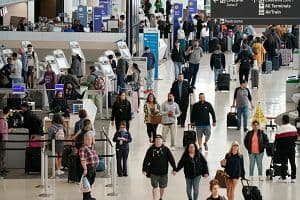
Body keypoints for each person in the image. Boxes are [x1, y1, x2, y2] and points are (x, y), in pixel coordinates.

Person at [142, 135, 176, 200]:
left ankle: (161, 197)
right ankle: (154, 199)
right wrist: (144, 169)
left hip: (163, 172)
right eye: (156, 140)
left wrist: (174, 168)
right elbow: (146, 160)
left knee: (162, 187)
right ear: (154, 142)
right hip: (153, 172)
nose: (158, 142)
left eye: (159, 140)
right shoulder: (150, 150)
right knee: (155, 187)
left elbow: (171, 159)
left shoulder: (166, 150)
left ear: (162, 141)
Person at [275, 115, 298, 183]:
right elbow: (296, 138)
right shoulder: (293, 128)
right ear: (289, 120)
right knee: (293, 163)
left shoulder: (279, 129)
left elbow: (276, 140)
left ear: (283, 121)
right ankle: (293, 178)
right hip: (291, 148)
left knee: (284, 163)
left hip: (283, 149)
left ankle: (283, 177)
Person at [79, 131, 99, 200]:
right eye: (85, 139)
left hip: (93, 168)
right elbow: (82, 159)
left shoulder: (91, 146)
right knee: (86, 183)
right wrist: (85, 169)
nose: (87, 141)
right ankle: (86, 198)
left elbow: (94, 140)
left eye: (89, 139)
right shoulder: (83, 148)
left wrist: (92, 139)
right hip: (88, 168)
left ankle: (89, 196)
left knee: (90, 182)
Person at [0, 107, 14, 177]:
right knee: (2, 155)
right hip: (2, 139)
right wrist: (10, 130)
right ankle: (1, 169)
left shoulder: (3, 119)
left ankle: (3, 168)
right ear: (8, 112)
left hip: (4, 139)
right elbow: (2, 131)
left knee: (3, 155)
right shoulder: (2, 120)